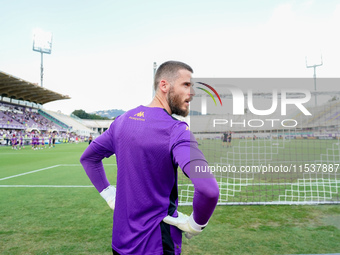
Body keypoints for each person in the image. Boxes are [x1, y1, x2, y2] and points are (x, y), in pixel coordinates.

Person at [80, 61, 219, 255]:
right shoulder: (176, 130)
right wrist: (196, 225)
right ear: (164, 85)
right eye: (186, 85)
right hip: (156, 246)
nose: (192, 92)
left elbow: (88, 158)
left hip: (120, 244)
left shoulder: (121, 122)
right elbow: (208, 189)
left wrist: (108, 194)